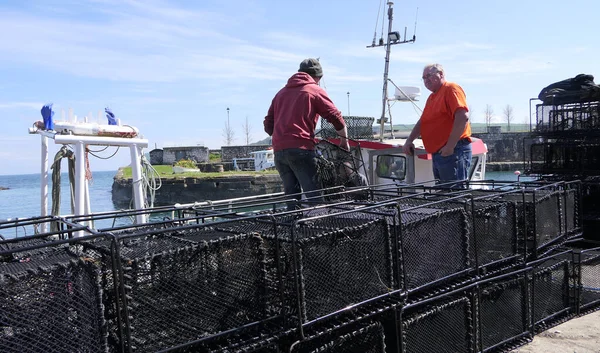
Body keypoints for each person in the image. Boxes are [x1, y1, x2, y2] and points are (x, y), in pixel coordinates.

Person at [264, 58, 349, 209]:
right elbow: (336, 118)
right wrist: (344, 141)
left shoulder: (281, 93)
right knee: (314, 196)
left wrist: (284, 134)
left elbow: (268, 126)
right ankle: (320, 228)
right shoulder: (314, 90)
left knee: (292, 197)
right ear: (317, 77)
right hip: (301, 151)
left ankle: (293, 228)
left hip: (279, 152)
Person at [402, 63, 472, 185]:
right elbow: (423, 121)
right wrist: (409, 140)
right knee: (443, 194)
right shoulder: (432, 97)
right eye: (423, 78)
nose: (426, 80)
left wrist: (450, 146)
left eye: (429, 76)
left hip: (453, 152)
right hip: (440, 154)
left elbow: (462, 116)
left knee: (454, 196)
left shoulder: (451, 89)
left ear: (441, 74)